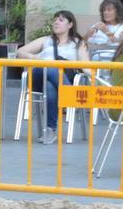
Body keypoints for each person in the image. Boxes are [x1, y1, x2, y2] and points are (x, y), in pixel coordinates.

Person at [15, 10, 89, 145]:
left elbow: (85, 65)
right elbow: (20, 51)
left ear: (70, 24)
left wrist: (96, 77)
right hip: (37, 76)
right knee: (49, 67)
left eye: (61, 20)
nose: (56, 22)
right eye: (55, 20)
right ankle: (68, 93)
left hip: (55, 80)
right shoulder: (45, 40)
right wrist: (35, 57)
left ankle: (50, 129)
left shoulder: (78, 43)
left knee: (50, 86)